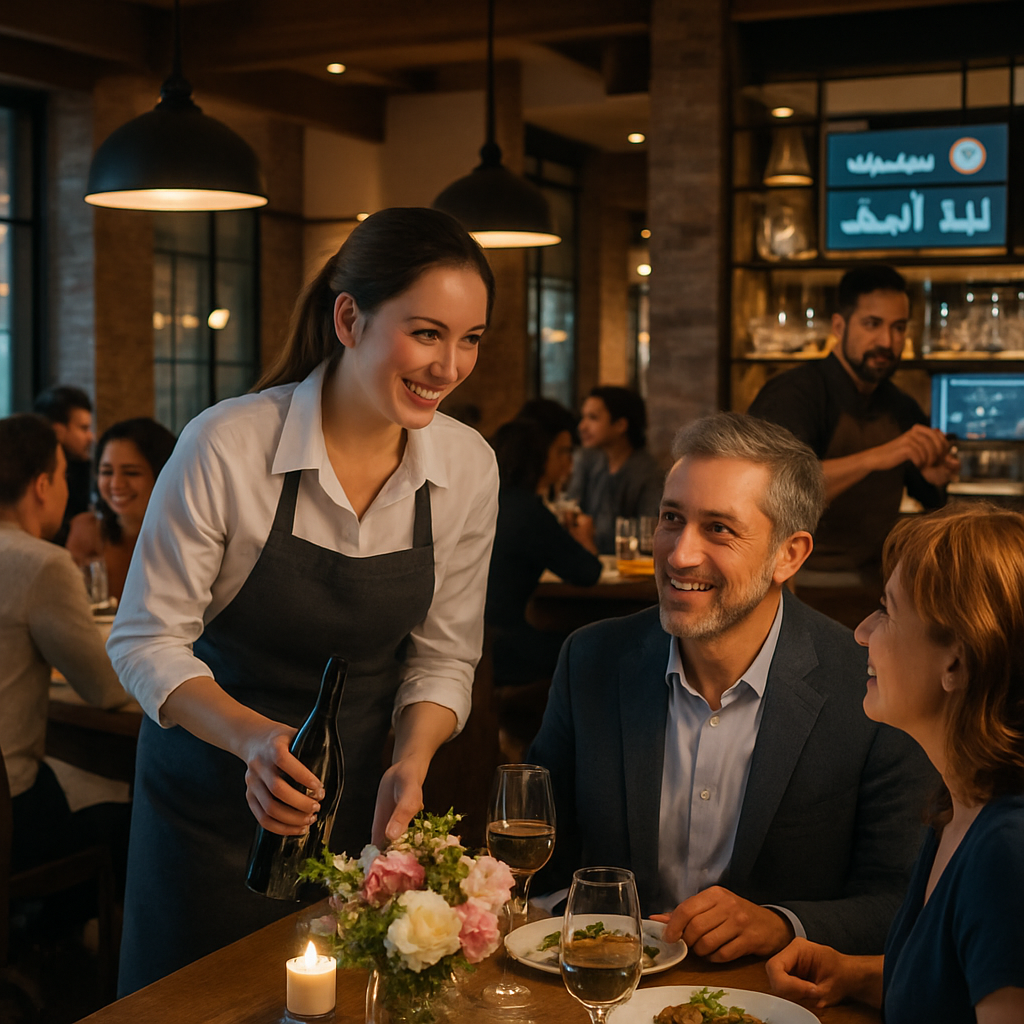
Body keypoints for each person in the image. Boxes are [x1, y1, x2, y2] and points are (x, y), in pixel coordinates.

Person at [107, 208, 500, 993]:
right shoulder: (228, 445)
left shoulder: (468, 466)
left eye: (471, 339)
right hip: (208, 812)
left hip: (359, 820)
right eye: (427, 333)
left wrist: (412, 760)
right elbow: (145, 641)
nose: (450, 365)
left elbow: (444, 655)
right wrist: (254, 741)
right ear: (349, 318)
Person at [528, 412, 935, 960]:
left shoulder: (866, 684)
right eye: (672, 518)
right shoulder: (592, 659)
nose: (679, 554)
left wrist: (782, 924)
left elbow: (902, 897)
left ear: (789, 555)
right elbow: (539, 858)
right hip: (604, 988)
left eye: (718, 528)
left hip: (778, 1000)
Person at [767, 505, 1024, 1023]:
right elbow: (959, 986)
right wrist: (858, 975)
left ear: (956, 660)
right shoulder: (960, 803)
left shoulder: (1008, 849)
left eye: (886, 611)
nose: (861, 632)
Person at [747, 265, 958, 628]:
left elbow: (930, 500)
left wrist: (935, 477)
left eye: (898, 327)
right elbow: (773, 491)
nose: (888, 342)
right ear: (840, 327)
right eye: (872, 324)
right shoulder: (795, 394)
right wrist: (881, 456)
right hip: (793, 595)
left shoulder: (900, 405)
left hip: (881, 595)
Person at [0, 414, 129, 879]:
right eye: (61, 477)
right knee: (129, 818)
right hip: (10, 810)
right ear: (40, 486)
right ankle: (73, 938)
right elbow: (106, 691)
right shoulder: (42, 563)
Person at [486, 418, 601, 687]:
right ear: (539, 458)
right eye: (560, 452)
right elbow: (587, 573)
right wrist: (584, 537)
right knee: (601, 650)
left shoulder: (488, 501)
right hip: (502, 647)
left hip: (471, 639)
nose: (567, 462)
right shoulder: (528, 512)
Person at [65, 418, 177, 601]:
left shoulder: (183, 537)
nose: (116, 484)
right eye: (107, 472)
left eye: (131, 473)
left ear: (163, 475)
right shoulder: (88, 532)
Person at [566, 385, 664, 554]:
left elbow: (650, 539)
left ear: (620, 425)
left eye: (593, 418)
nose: (582, 427)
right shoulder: (591, 463)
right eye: (583, 417)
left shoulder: (649, 473)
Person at [32, 385, 95, 546]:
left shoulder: (82, 466)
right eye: (83, 428)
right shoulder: (35, 473)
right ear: (58, 431)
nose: (91, 437)